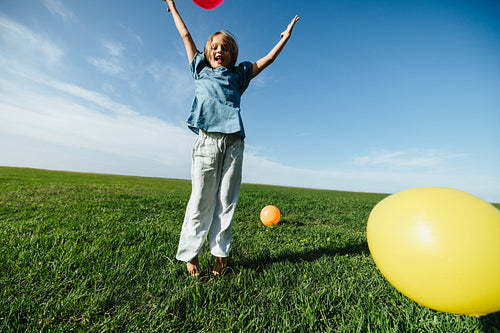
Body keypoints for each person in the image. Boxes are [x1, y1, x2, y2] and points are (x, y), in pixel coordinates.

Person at [163, 0, 299, 276]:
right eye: (214, 47)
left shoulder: (239, 76)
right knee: (201, 199)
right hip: (207, 142)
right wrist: (172, 5)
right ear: (208, 52)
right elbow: (186, 35)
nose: (219, 51)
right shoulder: (200, 69)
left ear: (232, 54)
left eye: (225, 48)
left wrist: (284, 38)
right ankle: (191, 254)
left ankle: (220, 255)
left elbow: (268, 60)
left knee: (227, 200)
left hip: (234, 144)